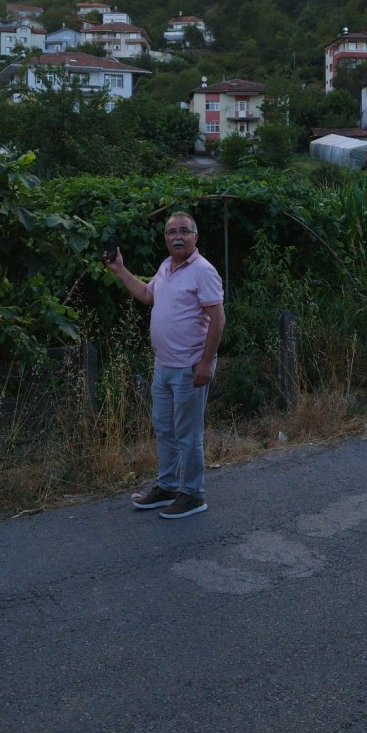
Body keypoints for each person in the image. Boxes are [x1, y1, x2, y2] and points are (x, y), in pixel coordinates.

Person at [103, 211, 225, 519]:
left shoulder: (203, 271)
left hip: (190, 367)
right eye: (172, 232)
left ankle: (194, 495)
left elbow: (218, 319)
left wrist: (205, 363)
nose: (177, 237)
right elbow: (147, 294)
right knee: (165, 429)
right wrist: (119, 269)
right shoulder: (166, 267)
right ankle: (168, 487)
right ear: (166, 238)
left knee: (188, 435)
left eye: (184, 231)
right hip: (164, 366)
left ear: (195, 237)